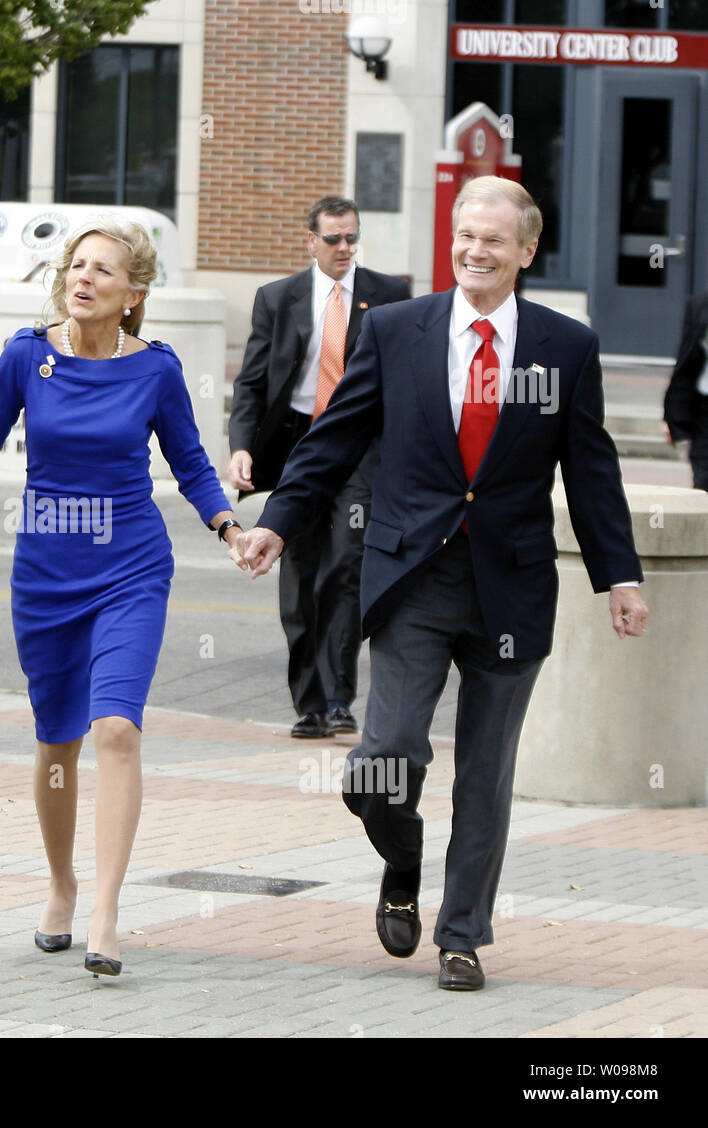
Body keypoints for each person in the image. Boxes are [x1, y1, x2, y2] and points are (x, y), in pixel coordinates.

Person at [241, 176, 648, 991]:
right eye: (466, 234)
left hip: (512, 584)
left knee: (485, 775)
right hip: (413, 577)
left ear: (527, 251)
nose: (475, 250)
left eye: (495, 239)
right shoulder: (396, 330)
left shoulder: (566, 348)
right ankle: (403, 856)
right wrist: (278, 521)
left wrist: (621, 577)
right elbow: (334, 437)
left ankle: (461, 934)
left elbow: (592, 473)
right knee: (383, 757)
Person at [0, 219, 245, 976]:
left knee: (117, 729)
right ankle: (61, 885)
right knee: (58, 740)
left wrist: (229, 528)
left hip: (131, 567)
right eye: (76, 265)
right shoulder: (29, 354)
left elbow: (189, 460)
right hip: (47, 572)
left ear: (133, 295)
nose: (83, 277)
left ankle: (106, 910)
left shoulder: (155, 368)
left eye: (102, 270)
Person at [228, 197, 410, 739]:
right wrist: (242, 446)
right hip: (294, 448)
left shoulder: (389, 296)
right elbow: (253, 382)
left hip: (357, 448)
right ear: (311, 241)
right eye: (333, 239)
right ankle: (308, 702)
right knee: (300, 573)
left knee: (346, 567)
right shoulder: (277, 299)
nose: (344, 249)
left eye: (352, 238)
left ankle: (338, 698)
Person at [663, 290, 708, 491]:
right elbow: (686, 362)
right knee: (703, 483)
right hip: (704, 410)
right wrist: (673, 416)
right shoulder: (700, 304)